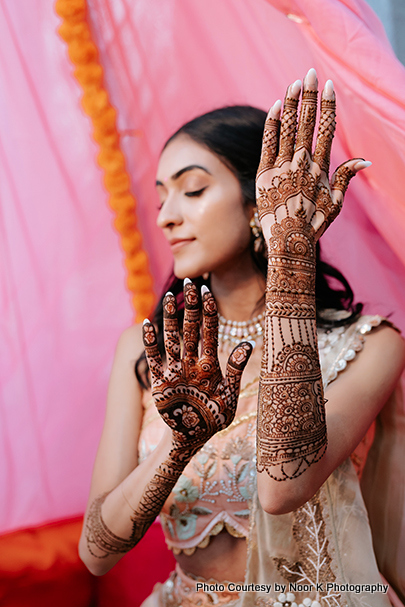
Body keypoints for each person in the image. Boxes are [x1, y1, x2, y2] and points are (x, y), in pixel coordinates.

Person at [79, 69, 405, 607]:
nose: (165, 217)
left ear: (259, 202)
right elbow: (96, 553)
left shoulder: (371, 344)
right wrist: (180, 444)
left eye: (193, 189)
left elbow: (282, 486)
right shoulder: (145, 352)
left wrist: (292, 251)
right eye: (161, 197)